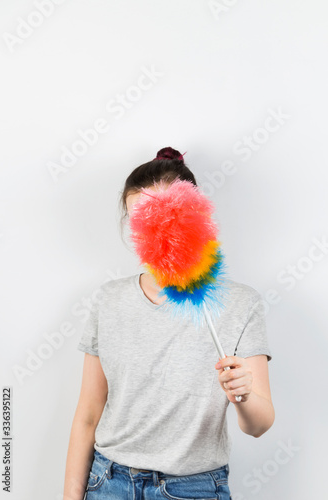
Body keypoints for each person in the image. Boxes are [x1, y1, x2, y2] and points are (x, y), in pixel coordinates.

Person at [63, 147, 275, 500]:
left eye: (165, 215)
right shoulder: (108, 300)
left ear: (194, 216)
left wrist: (243, 393)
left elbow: (259, 424)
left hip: (195, 488)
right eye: (139, 217)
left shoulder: (241, 304)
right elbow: (87, 414)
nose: (152, 228)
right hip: (108, 483)